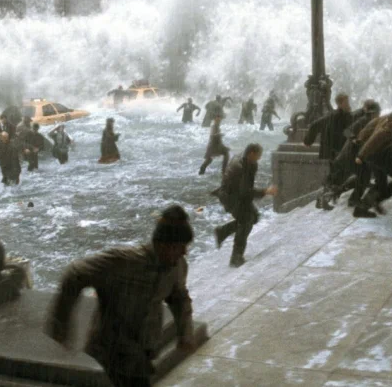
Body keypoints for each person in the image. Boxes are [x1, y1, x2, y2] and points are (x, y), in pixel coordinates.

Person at [47, 205, 197, 387]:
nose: (184, 252)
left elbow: (179, 299)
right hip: (113, 348)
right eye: (179, 247)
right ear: (162, 245)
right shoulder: (123, 262)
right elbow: (75, 273)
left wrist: (185, 334)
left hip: (144, 346)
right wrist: (61, 323)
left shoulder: (177, 266)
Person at [212, 144, 278, 267]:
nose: (259, 158)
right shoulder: (239, 167)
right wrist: (265, 191)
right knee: (246, 221)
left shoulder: (250, 162)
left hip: (239, 196)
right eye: (258, 155)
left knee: (254, 217)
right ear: (251, 153)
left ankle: (222, 231)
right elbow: (245, 191)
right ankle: (236, 257)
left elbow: (247, 188)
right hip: (230, 198)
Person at [352, 101, 392, 218]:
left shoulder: (390, 117)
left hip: (375, 155)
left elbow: (371, 125)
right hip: (380, 156)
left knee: (381, 183)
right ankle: (374, 201)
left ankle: (361, 208)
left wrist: (360, 139)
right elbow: (378, 136)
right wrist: (361, 155)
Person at [305, 94, 354, 209]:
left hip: (338, 151)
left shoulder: (342, 115)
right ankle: (324, 199)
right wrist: (308, 141)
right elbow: (315, 125)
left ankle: (322, 199)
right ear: (340, 104)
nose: (348, 104)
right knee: (336, 176)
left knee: (335, 175)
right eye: (346, 102)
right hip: (335, 151)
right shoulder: (335, 115)